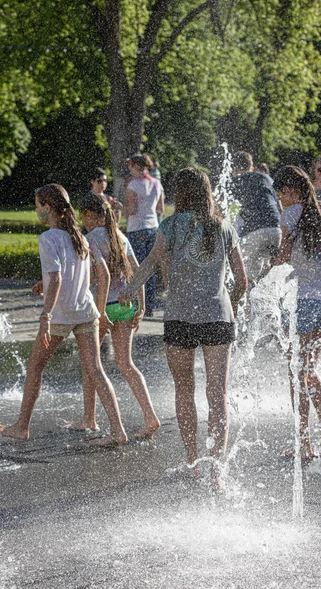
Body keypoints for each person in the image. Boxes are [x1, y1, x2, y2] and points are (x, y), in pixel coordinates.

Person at [119, 168, 247, 489]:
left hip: (179, 317)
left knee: (184, 391)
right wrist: (229, 304)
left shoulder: (171, 226)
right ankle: (216, 470)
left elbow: (150, 262)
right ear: (207, 193)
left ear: (179, 194)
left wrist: (131, 287)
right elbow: (242, 280)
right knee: (218, 394)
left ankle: (192, 462)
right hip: (218, 317)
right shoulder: (225, 228)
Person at [0, 184, 127, 445]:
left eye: (37, 207)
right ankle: (118, 431)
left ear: (47, 208)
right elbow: (89, 274)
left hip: (59, 315)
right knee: (95, 370)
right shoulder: (80, 236)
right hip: (85, 311)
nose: (36, 212)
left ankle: (22, 426)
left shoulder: (48, 238)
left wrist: (45, 316)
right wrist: (44, 283)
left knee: (35, 366)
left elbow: (58, 279)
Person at [273, 166, 321, 461]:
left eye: (281, 194)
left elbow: (282, 261)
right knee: (307, 370)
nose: (281, 200)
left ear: (291, 191)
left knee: (297, 374)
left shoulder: (290, 215)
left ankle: (303, 443)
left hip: (300, 301)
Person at [74, 192, 161, 439]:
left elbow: (99, 277)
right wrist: (141, 307)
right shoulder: (120, 236)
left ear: (88, 215)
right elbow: (138, 271)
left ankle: (89, 419)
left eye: (83, 216)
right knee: (126, 364)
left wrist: (100, 312)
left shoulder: (89, 239)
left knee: (92, 365)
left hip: (104, 307)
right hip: (126, 305)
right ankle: (150, 416)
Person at [231, 151, 281, 284]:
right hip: (276, 230)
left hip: (255, 233)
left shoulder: (236, 181)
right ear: (251, 166)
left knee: (245, 277)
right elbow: (279, 206)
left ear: (234, 169)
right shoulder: (266, 178)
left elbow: (228, 213)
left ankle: (245, 304)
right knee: (265, 275)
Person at [125, 154, 165, 317]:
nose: (129, 169)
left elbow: (132, 210)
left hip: (136, 229)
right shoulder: (157, 183)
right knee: (151, 267)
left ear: (136, 166)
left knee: (138, 268)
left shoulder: (134, 185)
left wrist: (120, 208)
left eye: (130, 166)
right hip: (153, 228)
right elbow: (160, 209)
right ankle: (149, 306)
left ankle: (138, 305)